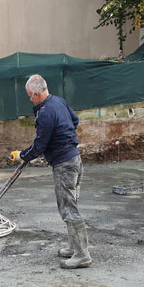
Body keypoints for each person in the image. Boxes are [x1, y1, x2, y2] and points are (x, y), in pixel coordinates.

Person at [10, 74, 92, 269]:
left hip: (64, 165)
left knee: (68, 208)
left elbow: (39, 146)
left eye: (30, 96)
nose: (30, 99)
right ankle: (74, 247)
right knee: (71, 204)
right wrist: (65, 139)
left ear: (37, 94)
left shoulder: (45, 113)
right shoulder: (59, 102)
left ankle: (82, 254)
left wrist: (22, 155)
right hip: (75, 159)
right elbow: (75, 120)